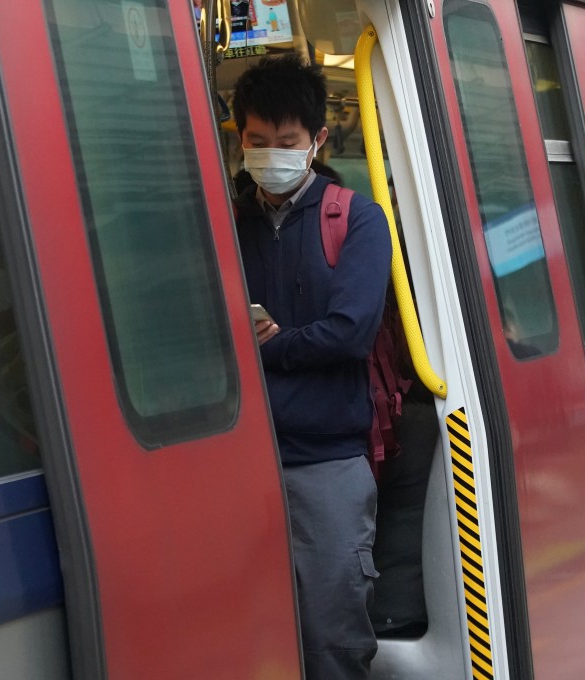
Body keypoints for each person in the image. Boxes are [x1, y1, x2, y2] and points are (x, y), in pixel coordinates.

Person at [232, 54, 392, 679]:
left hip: (325, 463)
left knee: (331, 638)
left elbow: (349, 333)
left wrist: (267, 346)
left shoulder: (355, 219)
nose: (271, 154)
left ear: (317, 139)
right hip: (236, 458)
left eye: (287, 142)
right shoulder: (226, 222)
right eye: (258, 141)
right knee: (250, 636)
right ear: (239, 138)